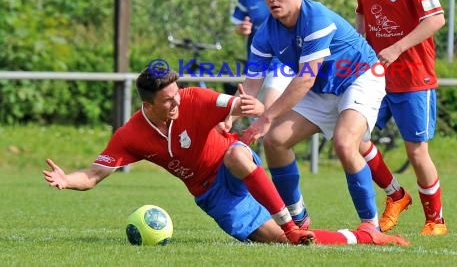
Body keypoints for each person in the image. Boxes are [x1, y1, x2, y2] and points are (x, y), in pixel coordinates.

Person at [43, 67, 409, 247]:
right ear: (148, 104)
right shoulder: (132, 135)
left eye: (177, 93)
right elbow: (92, 175)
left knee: (236, 152)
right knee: (288, 246)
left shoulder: (194, 98)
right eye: (167, 99)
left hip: (233, 164)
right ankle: (365, 238)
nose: (176, 101)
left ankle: (291, 219)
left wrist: (244, 107)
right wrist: (66, 180)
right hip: (212, 196)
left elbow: (240, 104)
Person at [239, 0, 390, 233]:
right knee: (275, 141)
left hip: (360, 78)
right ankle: (297, 218)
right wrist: (227, 116)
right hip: (322, 89)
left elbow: (305, 77)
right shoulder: (265, 33)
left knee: (345, 143)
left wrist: (267, 117)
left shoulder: (316, 17)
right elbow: (250, 87)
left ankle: (370, 225)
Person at [354, 0, 448, 236]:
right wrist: (358, 55)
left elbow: (436, 20)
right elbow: (364, 20)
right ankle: (396, 195)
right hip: (377, 76)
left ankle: (436, 221)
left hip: (413, 76)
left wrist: (396, 48)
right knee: (353, 137)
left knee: (416, 150)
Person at [231, 0, 294, 107]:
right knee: (247, 107)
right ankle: (223, 128)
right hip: (257, 60)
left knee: (271, 108)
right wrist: (242, 29)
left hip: (283, 61)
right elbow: (238, 27)